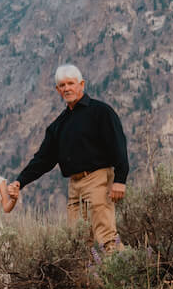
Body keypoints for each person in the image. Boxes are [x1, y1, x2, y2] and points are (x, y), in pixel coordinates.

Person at [7, 64, 129, 251]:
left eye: (71, 83)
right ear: (58, 90)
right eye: (62, 85)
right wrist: (20, 181)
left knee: (106, 237)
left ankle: (126, 269)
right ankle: (88, 272)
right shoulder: (59, 124)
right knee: (77, 243)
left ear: (81, 84)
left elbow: (118, 144)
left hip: (98, 180)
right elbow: (43, 159)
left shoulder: (101, 112)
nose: (67, 88)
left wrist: (120, 179)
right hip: (74, 186)